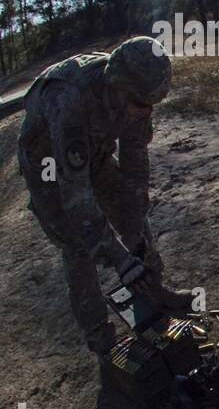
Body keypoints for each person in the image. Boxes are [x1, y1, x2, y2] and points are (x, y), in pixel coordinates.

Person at [17, 37, 190, 372]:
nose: (146, 111)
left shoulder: (138, 96)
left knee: (133, 214)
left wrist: (136, 227)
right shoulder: (71, 102)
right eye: (141, 103)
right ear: (116, 85)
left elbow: (135, 164)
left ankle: (152, 295)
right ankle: (100, 335)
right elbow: (76, 198)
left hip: (93, 154)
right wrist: (121, 259)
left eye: (153, 104)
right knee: (77, 243)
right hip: (48, 166)